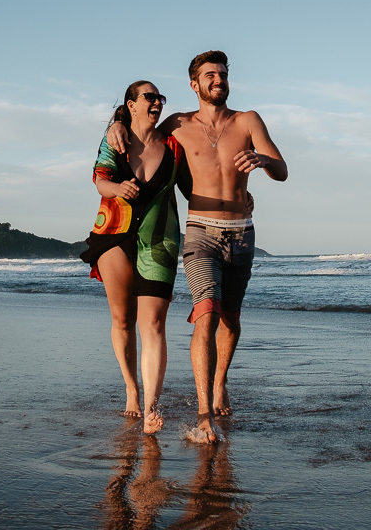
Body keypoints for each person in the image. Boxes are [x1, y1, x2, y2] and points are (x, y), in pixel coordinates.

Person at [108, 50, 287, 443]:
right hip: (199, 233)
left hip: (242, 233)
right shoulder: (178, 124)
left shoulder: (248, 121)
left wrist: (261, 159)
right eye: (210, 75)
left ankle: (220, 381)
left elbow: (282, 170)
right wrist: (115, 124)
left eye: (223, 74)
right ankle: (204, 413)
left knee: (231, 320)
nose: (218, 79)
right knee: (205, 313)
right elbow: (141, 126)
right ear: (195, 84)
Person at [82, 80, 188, 434]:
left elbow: (196, 184)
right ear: (131, 104)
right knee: (122, 318)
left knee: (153, 324)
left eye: (160, 98)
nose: (157, 102)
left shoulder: (175, 144)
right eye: (149, 97)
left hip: (160, 239)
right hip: (114, 232)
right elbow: (99, 180)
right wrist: (117, 188)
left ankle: (152, 406)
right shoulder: (116, 137)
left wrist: (238, 200)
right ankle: (131, 389)